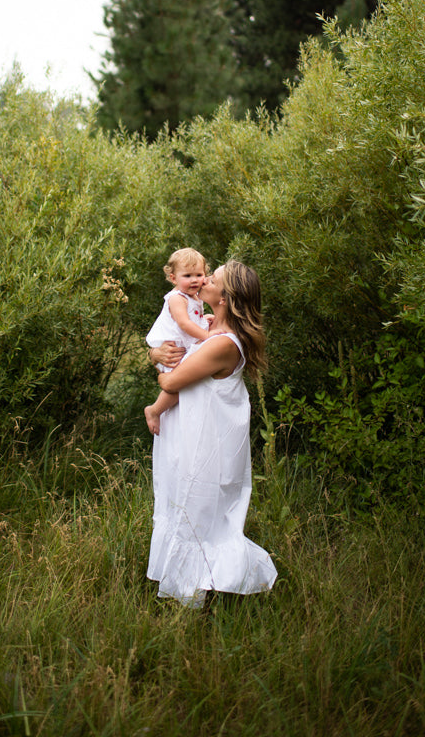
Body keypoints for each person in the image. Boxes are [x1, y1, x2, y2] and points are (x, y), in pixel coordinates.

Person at [146, 260, 278, 608]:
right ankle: (185, 594)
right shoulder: (205, 328)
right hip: (188, 436)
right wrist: (155, 352)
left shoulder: (223, 343)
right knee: (185, 510)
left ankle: (193, 603)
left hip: (204, 445)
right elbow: (173, 349)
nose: (203, 280)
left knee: (199, 516)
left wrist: (161, 369)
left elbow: (172, 380)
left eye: (212, 278)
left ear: (224, 297)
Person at [144, 248, 212, 436]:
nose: (194, 280)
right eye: (187, 275)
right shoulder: (177, 298)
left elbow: (193, 320)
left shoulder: (194, 297)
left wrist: (205, 320)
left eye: (199, 274)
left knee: (185, 383)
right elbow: (183, 323)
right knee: (179, 383)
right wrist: (208, 336)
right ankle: (154, 410)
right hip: (173, 350)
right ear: (173, 278)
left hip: (182, 349)